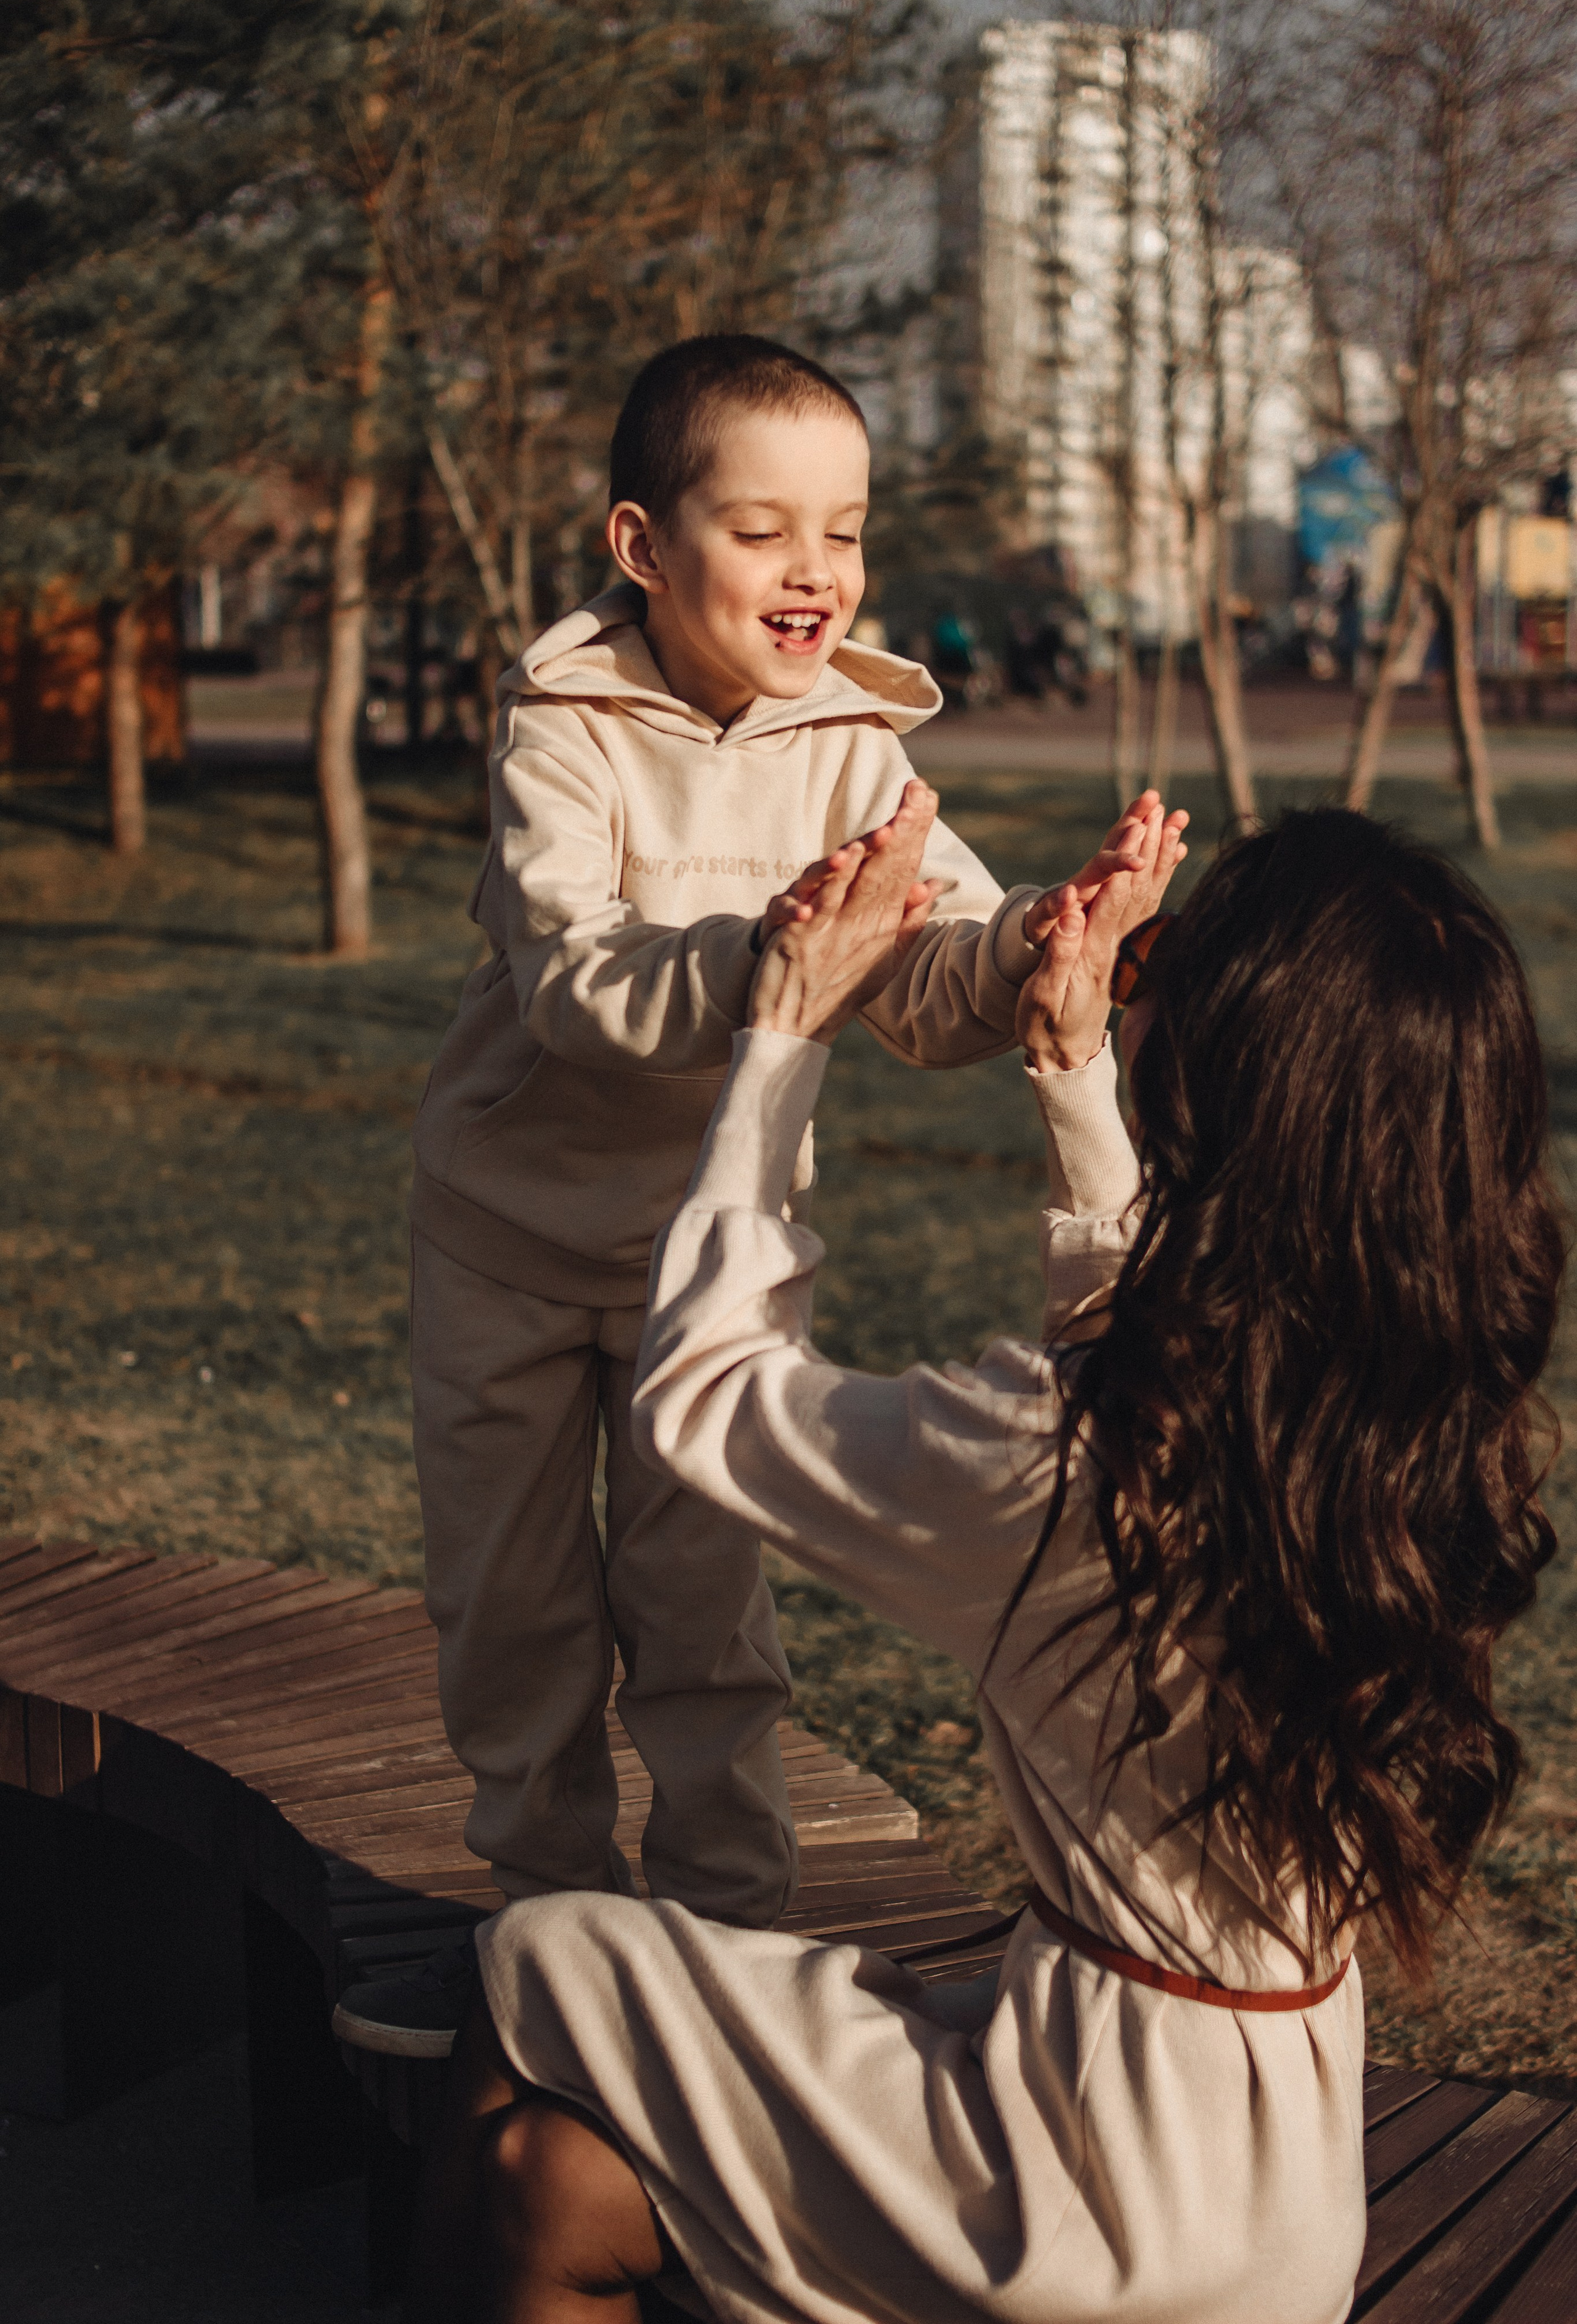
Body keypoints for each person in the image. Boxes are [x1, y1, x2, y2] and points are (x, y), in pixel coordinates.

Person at [402, 800, 1560, 2324]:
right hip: (1266, 2196)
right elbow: (1165, 1361)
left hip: (1072, 2199)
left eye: (1158, 968)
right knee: (556, 2182)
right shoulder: (1408, 1434)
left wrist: (781, 1038)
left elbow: (703, 1404)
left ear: (1213, 1071)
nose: (1132, 984)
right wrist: (1075, 1067)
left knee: (538, 1959)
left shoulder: (1059, 1461)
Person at [334, 333, 1167, 2057]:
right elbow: (579, 983)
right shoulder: (563, 727)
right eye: (767, 529)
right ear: (643, 548)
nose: (817, 574)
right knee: (515, 1614)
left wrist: (1032, 939)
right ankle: (544, 1937)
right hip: (502, 1239)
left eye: (846, 534)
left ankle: (725, 1947)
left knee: (706, 1618)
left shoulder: (857, 743)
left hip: (711, 1265)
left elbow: (924, 987)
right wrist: (782, 955)